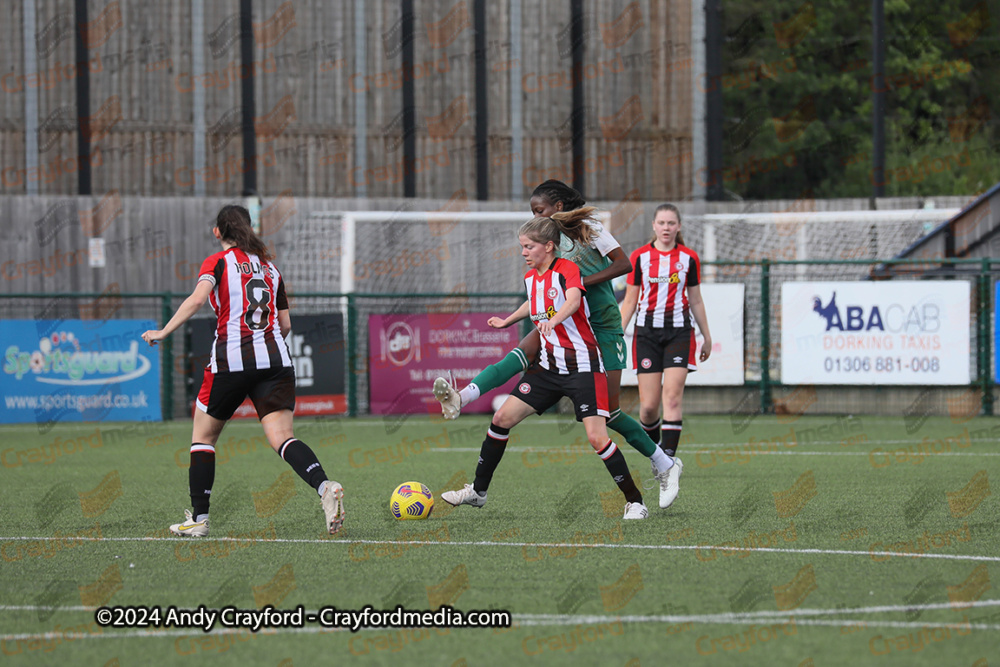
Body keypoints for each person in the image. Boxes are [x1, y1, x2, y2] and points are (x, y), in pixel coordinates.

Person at [434, 180, 681, 508]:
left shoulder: (588, 229)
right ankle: (462, 398)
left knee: (610, 413)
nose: (537, 217)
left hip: (600, 326)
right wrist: (515, 315)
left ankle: (662, 462)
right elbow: (541, 288)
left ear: (559, 207)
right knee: (520, 354)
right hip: (562, 318)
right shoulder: (544, 244)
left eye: (540, 210)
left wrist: (574, 285)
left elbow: (623, 265)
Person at [141, 205, 345, 537]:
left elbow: (196, 300)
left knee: (203, 438)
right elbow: (286, 324)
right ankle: (324, 487)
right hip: (276, 362)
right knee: (282, 438)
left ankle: (199, 520)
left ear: (217, 232)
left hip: (231, 361)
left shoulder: (218, 262)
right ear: (249, 229)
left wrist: (163, 332)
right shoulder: (270, 267)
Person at [620, 203, 711, 466]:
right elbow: (629, 301)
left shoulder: (689, 258)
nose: (666, 228)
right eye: (661, 223)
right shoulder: (639, 257)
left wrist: (707, 335)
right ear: (654, 226)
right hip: (646, 334)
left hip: (680, 334)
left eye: (671, 223)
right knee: (648, 407)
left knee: (671, 397)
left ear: (678, 226)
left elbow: (696, 301)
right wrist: (618, 333)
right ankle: (657, 457)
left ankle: (669, 463)